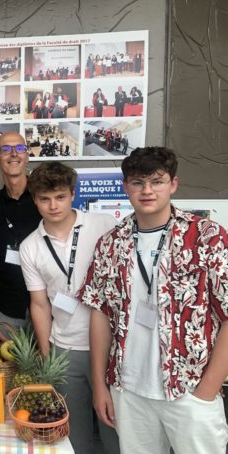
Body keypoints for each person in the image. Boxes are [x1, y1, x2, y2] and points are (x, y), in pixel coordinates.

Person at [79, 147, 228, 454]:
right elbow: (100, 314)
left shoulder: (206, 236)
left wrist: (208, 388)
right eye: (137, 182)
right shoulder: (110, 242)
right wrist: (100, 386)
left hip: (189, 389)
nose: (147, 190)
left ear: (173, 184)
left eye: (156, 181)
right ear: (126, 187)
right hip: (128, 390)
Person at [19, 162, 119, 454]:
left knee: (114, 425)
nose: (53, 205)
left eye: (60, 196)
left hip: (111, 346)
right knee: (72, 432)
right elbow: (39, 304)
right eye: (45, 198)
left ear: (73, 194)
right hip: (64, 347)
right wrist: (48, 354)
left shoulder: (103, 225)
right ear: (35, 200)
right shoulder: (30, 246)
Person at [0, 132, 41, 343]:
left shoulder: (44, 198)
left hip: (48, 308)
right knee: (7, 373)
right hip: (7, 311)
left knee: (44, 375)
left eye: (20, 148)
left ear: (27, 156)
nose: (14, 154)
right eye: (5, 149)